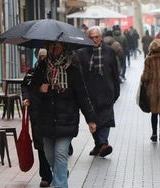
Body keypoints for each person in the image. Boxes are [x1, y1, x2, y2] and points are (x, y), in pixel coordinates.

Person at [27, 42, 97, 188]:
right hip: (46, 121)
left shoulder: (73, 70)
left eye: (57, 47)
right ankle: (61, 173)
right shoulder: (41, 69)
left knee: (60, 154)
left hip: (67, 120)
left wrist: (91, 119)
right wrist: (41, 90)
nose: (54, 50)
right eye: (51, 47)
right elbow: (32, 92)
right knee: (49, 156)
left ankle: (60, 185)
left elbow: (83, 97)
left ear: (64, 48)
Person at [76, 26, 120, 158]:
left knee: (106, 119)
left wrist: (116, 91)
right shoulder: (82, 53)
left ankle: (103, 143)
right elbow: (80, 74)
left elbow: (115, 73)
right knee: (93, 119)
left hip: (107, 90)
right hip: (90, 92)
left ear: (101, 37)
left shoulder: (109, 52)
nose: (94, 40)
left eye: (96, 37)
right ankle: (98, 144)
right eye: (91, 37)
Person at [21, 48, 52, 187]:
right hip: (37, 113)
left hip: (52, 113)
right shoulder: (31, 73)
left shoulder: (55, 72)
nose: (42, 59)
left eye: (45, 57)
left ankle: (58, 169)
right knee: (40, 145)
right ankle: (45, 175)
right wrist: (27, 98)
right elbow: (25, 86)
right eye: (40, 57)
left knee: (53, 145)